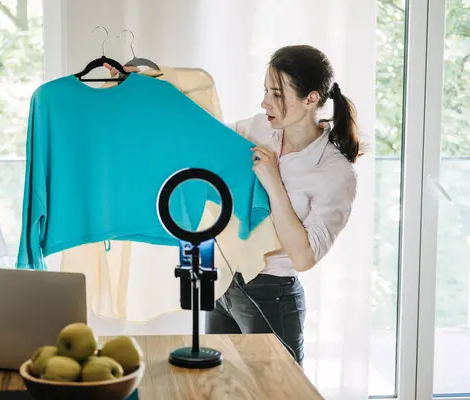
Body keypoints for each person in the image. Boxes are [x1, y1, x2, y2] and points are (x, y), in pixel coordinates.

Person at [104, 44, 360, 366]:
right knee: (220, 384)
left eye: (276, 93)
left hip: (271, 295)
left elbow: (304, 256)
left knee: (276, 391)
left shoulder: (334, 171)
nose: (264, 102)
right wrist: (143, 90)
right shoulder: (259, 128)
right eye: (265, 90)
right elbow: (200, 135)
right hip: (223, 281)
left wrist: (273, 183)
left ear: (310, 99)